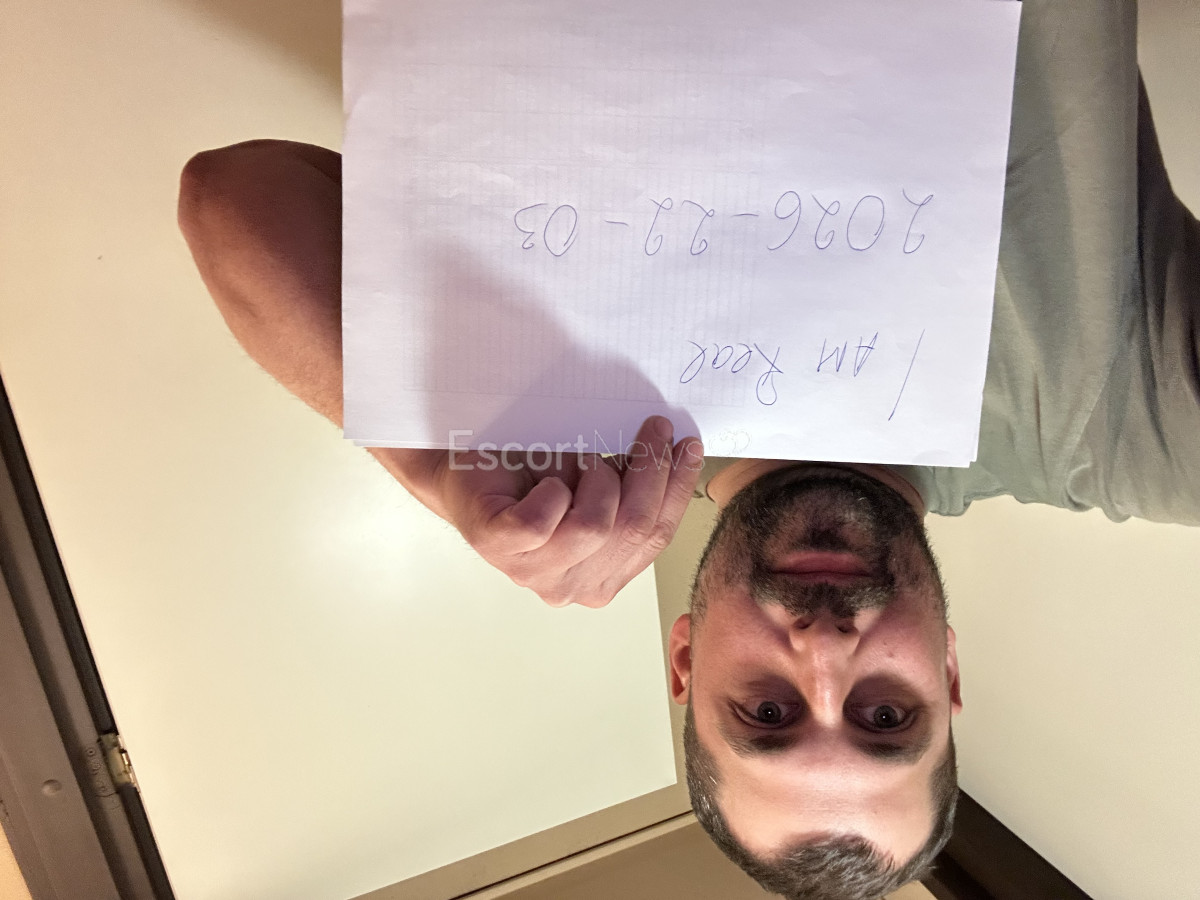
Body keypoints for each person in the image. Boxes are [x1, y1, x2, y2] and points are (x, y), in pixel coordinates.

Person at [178, 2, 1198, 897]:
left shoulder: (569, 421)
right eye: (887, 716)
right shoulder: (1115, 425)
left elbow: (235, 194)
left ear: (683, 659)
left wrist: (435, 468)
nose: (825, 651)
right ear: (949, 670)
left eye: (767, 710)